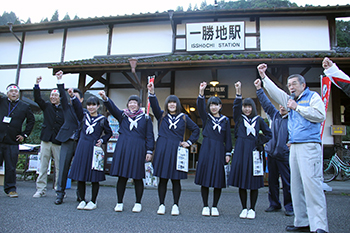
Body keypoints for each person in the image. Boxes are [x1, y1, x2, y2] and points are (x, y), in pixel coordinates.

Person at [257, 63, 328, 233]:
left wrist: (298, 108)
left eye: (294, 84)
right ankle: (302, 222)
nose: (291, 87)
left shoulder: (312, 97)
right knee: (295, 186)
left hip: (309, 146)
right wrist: (264, 77)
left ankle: (320, 226)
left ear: (303, 85)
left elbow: (320, 115)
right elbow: (276, 93)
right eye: (289, 85)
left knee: (312, 185)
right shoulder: (290, 100)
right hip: (294, 147)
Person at [147, 82, 200, 216]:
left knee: (176, 180)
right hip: (162, 149)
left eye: (174, 102)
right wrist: (152, 93)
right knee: (163, 179)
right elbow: (154, 105)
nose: (172, 104)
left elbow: (195, 130)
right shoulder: (161, 116)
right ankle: (162, 204)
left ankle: (175, 205)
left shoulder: (184, 117)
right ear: (167, 105)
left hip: (177, 150)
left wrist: (188, 142)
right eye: (169, 102)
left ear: (177, 104)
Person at [99, 91, 154, 213]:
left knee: (138, 177)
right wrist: (105, 98)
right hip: (123, 147)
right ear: (128, 104)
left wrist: (149, 151)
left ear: (139, 105)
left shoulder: (145, 118)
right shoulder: (123, 115)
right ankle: (119, 202)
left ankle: (138, 203)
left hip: (138, 148)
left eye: (135, 103)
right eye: (130, 103)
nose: (132, 105)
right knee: (122, 177)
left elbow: (150, 136)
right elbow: (113, 109)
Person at [227, 81, 272, 220]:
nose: (247, 109)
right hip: (240, 151)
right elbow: (235, 108)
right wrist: (238, 93)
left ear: (253, 107)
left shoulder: (259, 120)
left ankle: (252, 208)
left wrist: (259, 141)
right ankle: (243, 208)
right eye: (245, 107)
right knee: (242, 182)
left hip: (254, 153)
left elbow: (269, 134)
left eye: (249, 107)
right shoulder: (239, 119)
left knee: (253, 182)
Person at [254, 78, 293, 216]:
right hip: (271, 154)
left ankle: (289, 206)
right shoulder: (275, 115)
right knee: (272, 181)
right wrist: (259, 89)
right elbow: (266, 103)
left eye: (284, 105)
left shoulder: (293, 118)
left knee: (287, 182)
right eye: (280, 105)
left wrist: (292, 143)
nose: (281, 107)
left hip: (285, 155)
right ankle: (274, 204)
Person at [68, 94, 112, 210]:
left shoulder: (102, 120)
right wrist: (72, 97)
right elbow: (77, 107)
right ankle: (82, 200)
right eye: (89, 105)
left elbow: (109, 133)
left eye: (93, 105)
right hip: (82, 147)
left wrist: (102, 140)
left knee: (94, 176)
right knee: (80, 175)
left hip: (94, 149)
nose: (91, 107)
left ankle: (93, 201)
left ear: (98, 106)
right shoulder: (83, 116)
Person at [195, 81, 232, 217]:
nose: (213, 107)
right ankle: (205, 205)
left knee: (217, 179)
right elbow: (199, 107)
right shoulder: (206, 118)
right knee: (205, 178)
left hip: (219, 149)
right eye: (211, 105)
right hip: (206, 148)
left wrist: (228, 152)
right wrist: (201, 91)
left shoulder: (225, 120)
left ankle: (215, 206)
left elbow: (228, 137)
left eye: (216, 104)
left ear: (220, 106)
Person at [54, 70, 85, 205]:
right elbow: (62, 96)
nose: (73, 98)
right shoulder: (66, 108)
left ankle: (80, 195)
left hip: (80, 142)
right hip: (67, 140)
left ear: (82, 100)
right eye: (72, 96)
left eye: (76, 97)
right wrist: (60, 81)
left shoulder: (85, 112)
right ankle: (60, 194)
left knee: (80, 168)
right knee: (63, 168)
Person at [0, 83, 35, 197]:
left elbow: (31, 121)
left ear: (19, 94)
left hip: (12, 141)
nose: (13, 93)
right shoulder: (2, 101)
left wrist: (24, 135)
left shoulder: (24, 106)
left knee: (10, 167)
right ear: (7, 93)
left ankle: (11, 189)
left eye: (16, 92)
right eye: (11, 91)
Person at [33, 76, 64, 198]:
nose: (53, 97)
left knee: (59, 167)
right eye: (51, 95)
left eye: (56, 95)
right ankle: (41, 189)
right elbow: (37, 98)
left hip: (58, 141)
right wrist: (37, 85)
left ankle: (58, 189)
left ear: (60, 97)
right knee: (43, 165)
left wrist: (59, 81)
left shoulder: (64, 109)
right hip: (46, 139)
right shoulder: (46, 106)